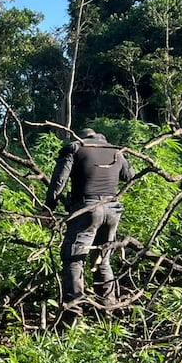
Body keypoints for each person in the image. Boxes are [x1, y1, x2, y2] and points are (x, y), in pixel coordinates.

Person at [45, 128, 135, 321]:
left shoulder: (75, 148)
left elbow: (59, 180)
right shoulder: (116, 151)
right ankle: (107, 311)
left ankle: (73, 314)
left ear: (81, 136)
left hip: (88, 209)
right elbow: (130, 176)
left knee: (74, 258)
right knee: (103, 258)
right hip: (112, 209)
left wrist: (49, 205)